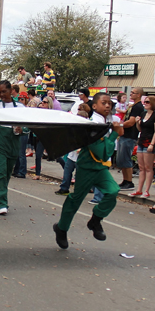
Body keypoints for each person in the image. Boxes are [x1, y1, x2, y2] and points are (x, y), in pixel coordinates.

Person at [53, 92, 124, 249]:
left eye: (109, 103)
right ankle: (61, 228)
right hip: (87, 167)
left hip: (100, 167)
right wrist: (114, 136)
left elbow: (107, 152)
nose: (107, 106)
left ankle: (95, 220)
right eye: (104, 103)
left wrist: (114, 134)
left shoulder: (108, 123)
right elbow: (103, 152)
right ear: (94, 106)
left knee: (112, 191)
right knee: (76, 199)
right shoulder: (92, 125)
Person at [0, 80, 24, 216]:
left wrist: (22, 129)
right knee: (0, 172)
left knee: (7, 173)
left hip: (13, 144)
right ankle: (2, 203)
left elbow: (27, 126)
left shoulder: (20, 107)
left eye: (4, 91)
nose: (1, 94)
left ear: (11, 91)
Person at [132, 95, 155, 198]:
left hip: (149, 141)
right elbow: (140, 129)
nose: (145, 104)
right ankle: (139, 189)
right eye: (145, 102)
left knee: (148, 167)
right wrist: (138, 123)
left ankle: (147, 190)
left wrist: (152, 144)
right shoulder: (143, 114)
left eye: (148, 102)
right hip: (142, 140)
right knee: (141, 167)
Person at [117, 87, 143, 191]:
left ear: (139, 95)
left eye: (133, 93)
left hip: (130, 136)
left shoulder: (138, 107)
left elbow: (131, 122)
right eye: (131, 92)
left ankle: (129, 181)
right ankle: (125, 180)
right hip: (124, 135)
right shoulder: (132, 106)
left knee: (126, 159)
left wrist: (120, 125)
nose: (131, 94)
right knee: (121, 159)